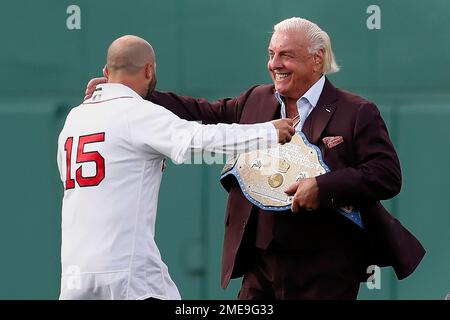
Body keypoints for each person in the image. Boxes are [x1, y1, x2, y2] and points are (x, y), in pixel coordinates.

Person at [86, 18, 425, 300]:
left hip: (327, 269)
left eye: (287, 56)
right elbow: (201, 113)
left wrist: (322, 187)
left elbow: (386, 174)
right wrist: (126, 89)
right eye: (272, 54)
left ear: (317, 59)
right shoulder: (255, 100)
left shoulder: (356, 111)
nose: (275, 64)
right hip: (261, 265)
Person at [57, 35, 295, 300]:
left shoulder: (75, 118)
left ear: (106, 72)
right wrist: (266, 132)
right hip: (127, 267)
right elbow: (198, 139)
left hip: (75, 271)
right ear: (149, 70)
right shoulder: (137, 113)